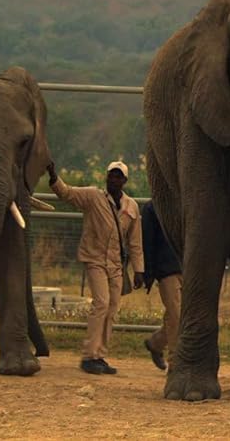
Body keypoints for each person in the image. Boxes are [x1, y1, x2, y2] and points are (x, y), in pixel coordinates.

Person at [48, 160, 144, 375]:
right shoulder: (93, 197)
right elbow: (67, 194)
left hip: (116, 265)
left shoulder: (132, 207)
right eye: (112, 175)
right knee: (101, 303)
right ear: (106, 177)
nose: (114, 179)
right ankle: (89, 356)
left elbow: (135, 242)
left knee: (112, 309)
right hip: (95, 259)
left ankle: (100, 355)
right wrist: (54, 176)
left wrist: (139, 269)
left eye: (119, 176)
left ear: (125, 181)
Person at [140, 200, 182, 371]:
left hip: (187, 266)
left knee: (181, 316)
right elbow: (147, 241)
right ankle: (175, 362)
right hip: (166, 269)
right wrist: (148, 272)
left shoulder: (187, 202)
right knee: (176, 314)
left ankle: (156, 343)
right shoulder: (152, 208)